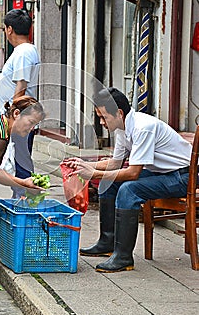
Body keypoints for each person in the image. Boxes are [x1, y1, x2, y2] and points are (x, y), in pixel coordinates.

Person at [66, 87, 192, 273]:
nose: (101, 122)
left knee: (129, 190)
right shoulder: (122, 127)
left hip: (183, 177)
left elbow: (132, 173)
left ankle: (124, 257)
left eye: (103, 117)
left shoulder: (143, 127)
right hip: (162, 173)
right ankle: (107, 243)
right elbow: (116, 163)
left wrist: (93, 174)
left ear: (119, 113)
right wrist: (84, 164)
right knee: (109, 184)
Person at [0, 9, 40, 197]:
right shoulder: (25, 51)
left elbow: (21, 86)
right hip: (16, 119)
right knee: (16, 163)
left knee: (20, 166)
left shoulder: (23, 52)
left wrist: (13, 117)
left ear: (10, 29)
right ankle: (20, 201)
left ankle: (23, 206)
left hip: (19, 120)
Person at [0, 95, 45, 191]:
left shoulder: (0, 121)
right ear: (16, 114)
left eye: (35, 124)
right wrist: (23, 183)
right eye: (31, 122)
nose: (32, 128)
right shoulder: (0, 136)